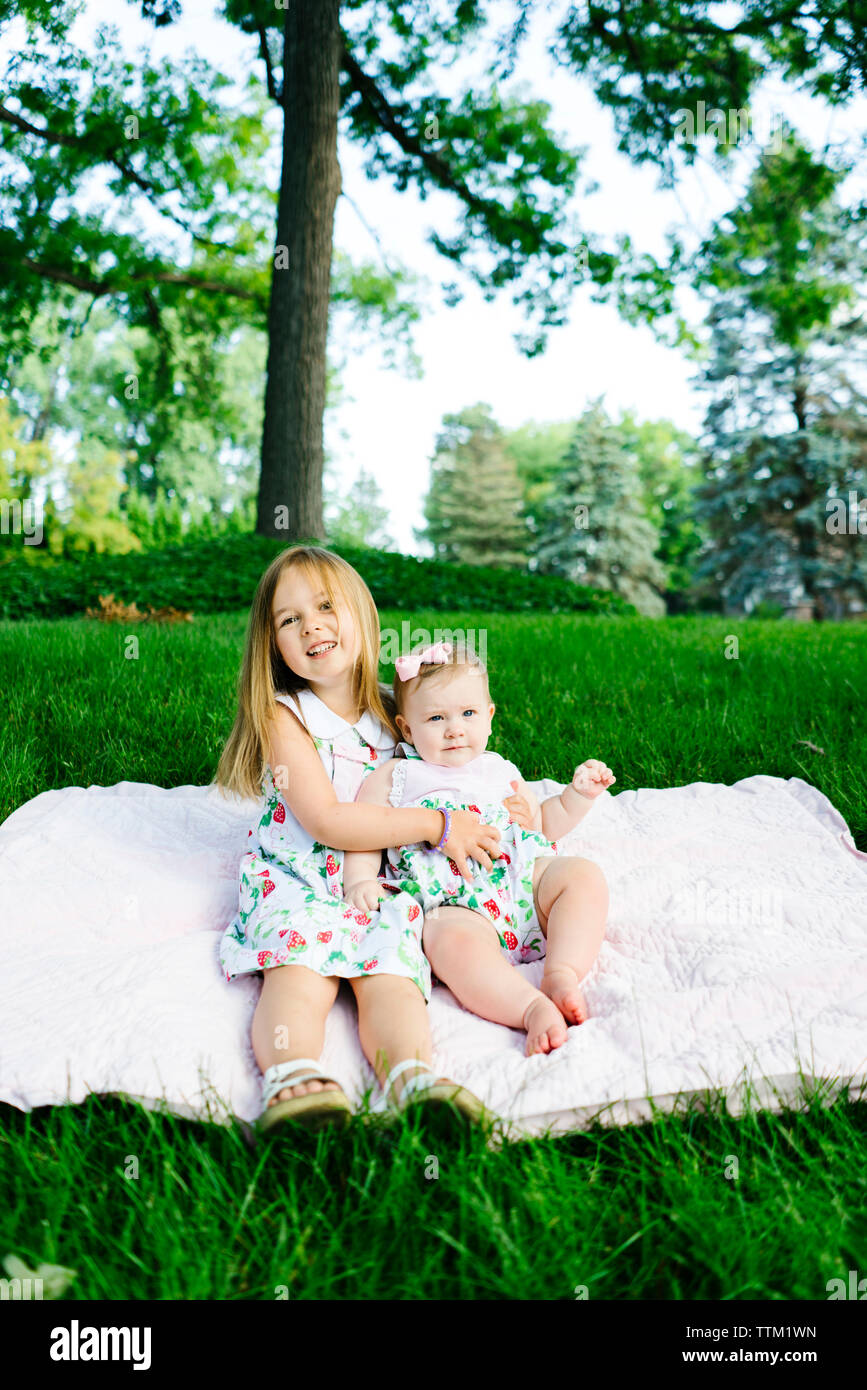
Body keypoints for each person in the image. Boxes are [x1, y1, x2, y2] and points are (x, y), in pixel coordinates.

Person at [214, 547, 531, 1133]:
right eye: (289, 619)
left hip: (382, 882)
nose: (311, 624)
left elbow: (448, 770)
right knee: (299, 970)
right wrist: (437, 827)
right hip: (300, 876)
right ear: (272, 644)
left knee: (393, 974)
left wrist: (504, 806)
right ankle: (293, 1078)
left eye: (327, 606)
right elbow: (330, 822)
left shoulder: (398, 710)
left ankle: (412, 1078)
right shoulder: (287, 716)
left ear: (362, 614)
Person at [341, 642, 614, 1056]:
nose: (455, 729)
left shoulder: (500, 770)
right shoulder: (397, 775)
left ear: (488, 716)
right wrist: (360, 879)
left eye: (468, 714)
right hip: (456, 903)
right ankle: (530, 1008)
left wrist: (576, 797)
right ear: (408, 728)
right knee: (446, 940)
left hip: (524, 887)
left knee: (582, 876)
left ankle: (561, 971)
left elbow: (542, 826)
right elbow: (366, 828)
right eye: (436, 718)